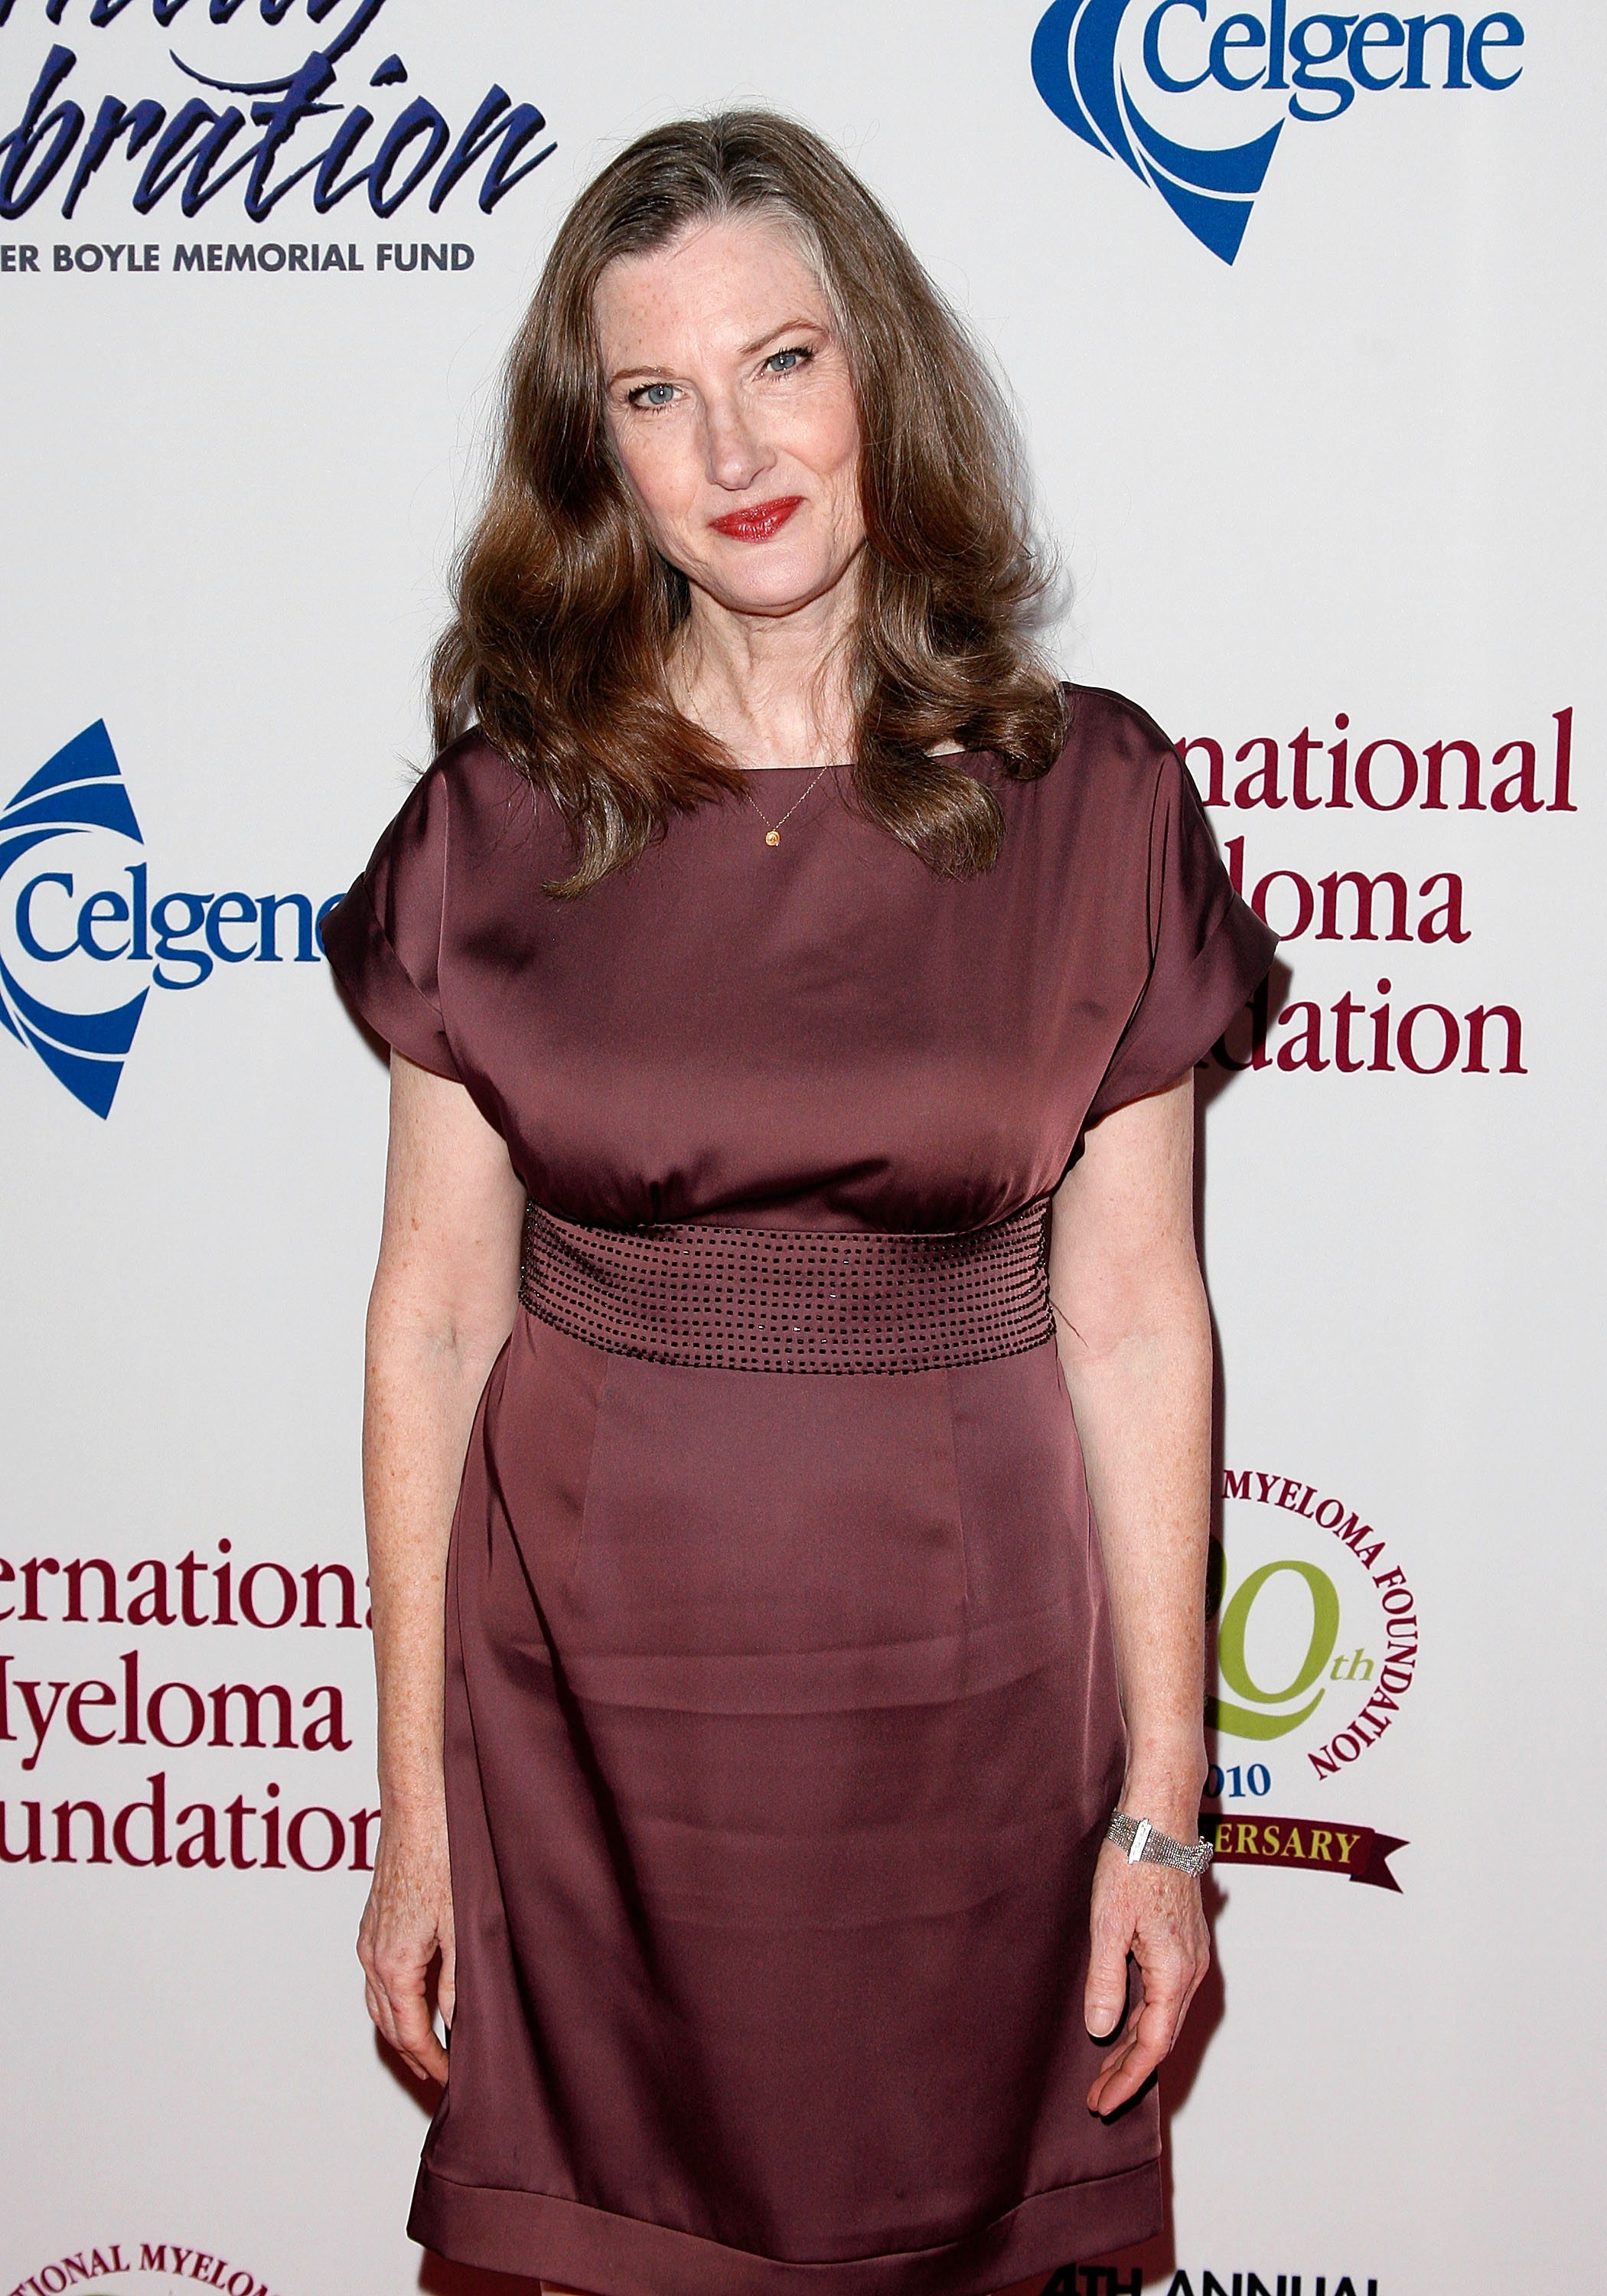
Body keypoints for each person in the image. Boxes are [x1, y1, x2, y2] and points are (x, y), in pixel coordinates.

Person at [324, 109, 1275, 2296]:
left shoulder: (1091, 799)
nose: (732, 445)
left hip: (967, 1712)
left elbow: (1132, 1321)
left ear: (883, 384)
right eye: (653, 394)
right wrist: (417, 1812)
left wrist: (1162, 1803)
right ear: (598, 455)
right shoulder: (494, 822)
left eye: (782, 362)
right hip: (575, 1721)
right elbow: (435, 1320)